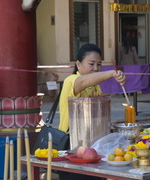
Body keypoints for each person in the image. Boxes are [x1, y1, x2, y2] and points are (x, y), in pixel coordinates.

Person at [58, 44, 126, 180]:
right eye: (91, 64)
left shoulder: (96, 87)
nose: (96, 68)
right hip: (73, 147)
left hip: (95, 147)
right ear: (78, 64)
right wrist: (112, 73)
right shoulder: (70, 81)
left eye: (99, 64)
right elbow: (83, 82)